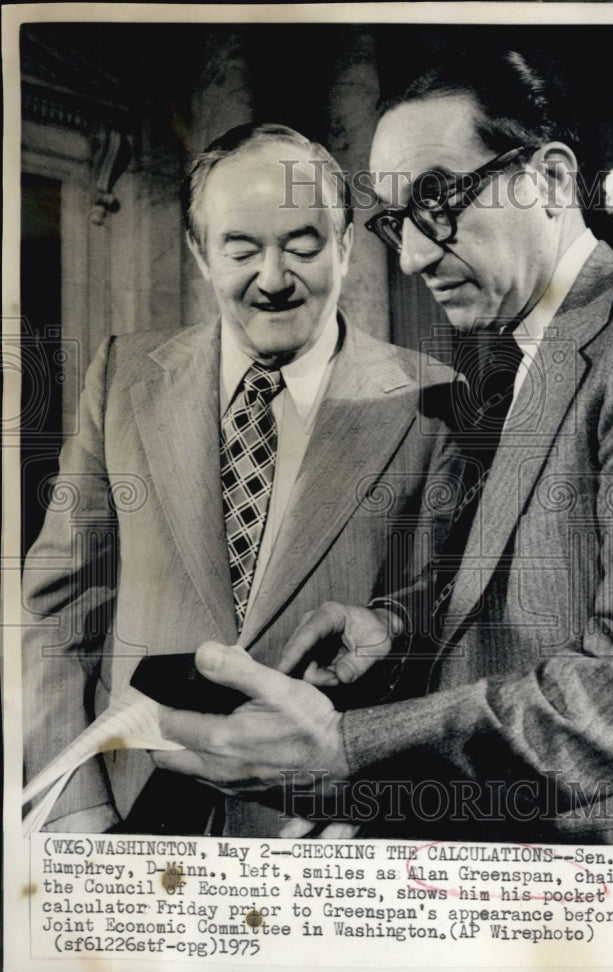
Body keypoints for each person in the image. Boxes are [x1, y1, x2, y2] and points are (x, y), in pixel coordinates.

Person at [148, 54, 613, 845]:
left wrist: (343, 753)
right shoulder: (526, 349)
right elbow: (536, 582)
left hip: (605, 885)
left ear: (547, 179)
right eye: (393, 220)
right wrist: (399, 625)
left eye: (437, 200)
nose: (410, 256)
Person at [22, 122, 463, 835]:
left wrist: (370, 789)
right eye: (241, 248)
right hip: (125, 814)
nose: (273, 278)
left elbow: (439, 625)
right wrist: (72, 806)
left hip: (322, 832)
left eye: (302, 243)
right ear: (201, 254)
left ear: (346, 247)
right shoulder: (121, 377)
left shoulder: (433, 400)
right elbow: (54, 610)